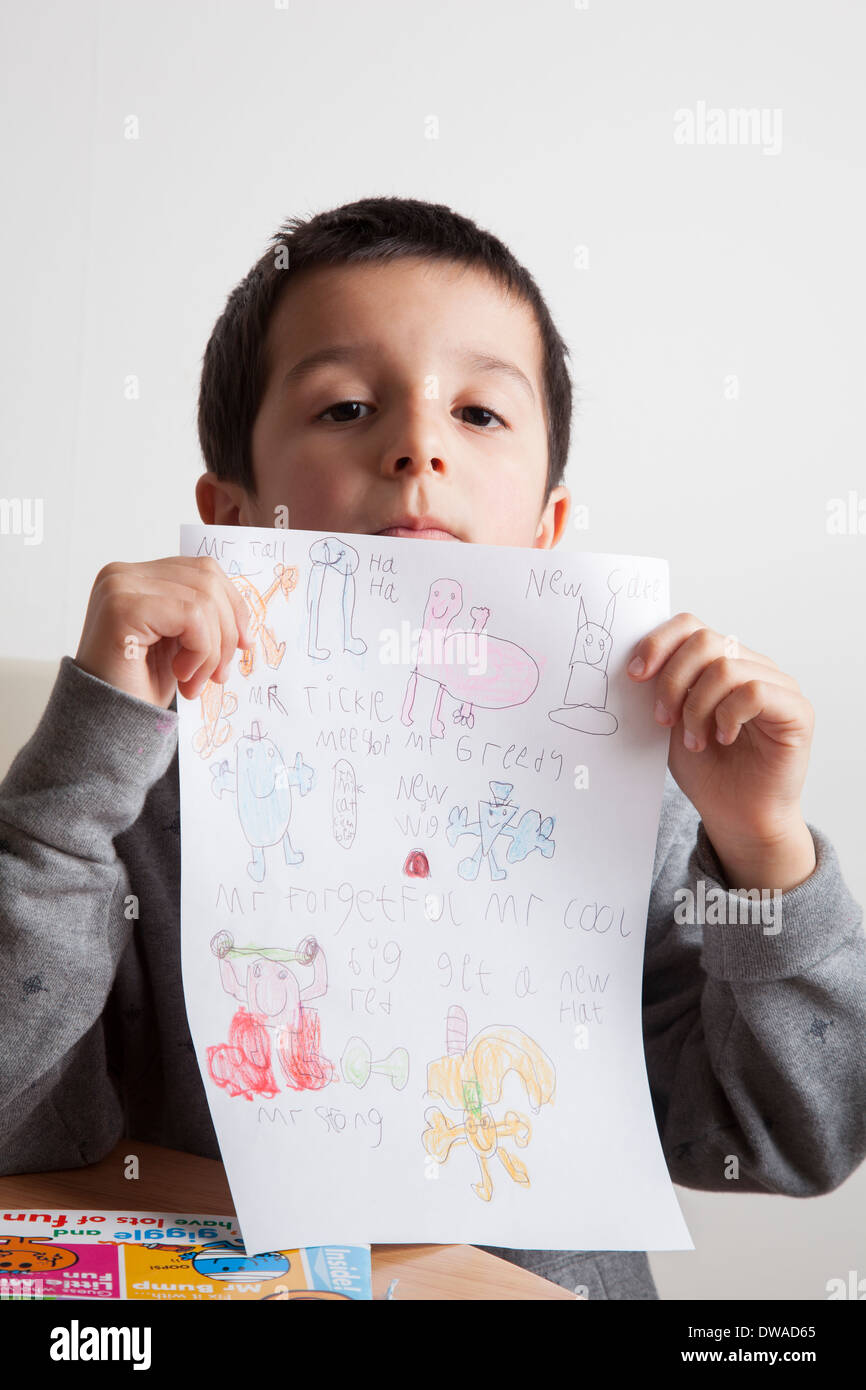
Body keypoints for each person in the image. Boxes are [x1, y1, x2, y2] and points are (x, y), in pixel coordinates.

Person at [2, 196, 864, 1301]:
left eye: (479, 414)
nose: (417, 446)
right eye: (348, 405)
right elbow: (16, 1120)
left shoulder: (630, 794)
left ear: (547, 529)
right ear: (230, 512)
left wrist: (761, 848)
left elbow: (794, 1138)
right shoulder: (130, 795)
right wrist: (87, 757)